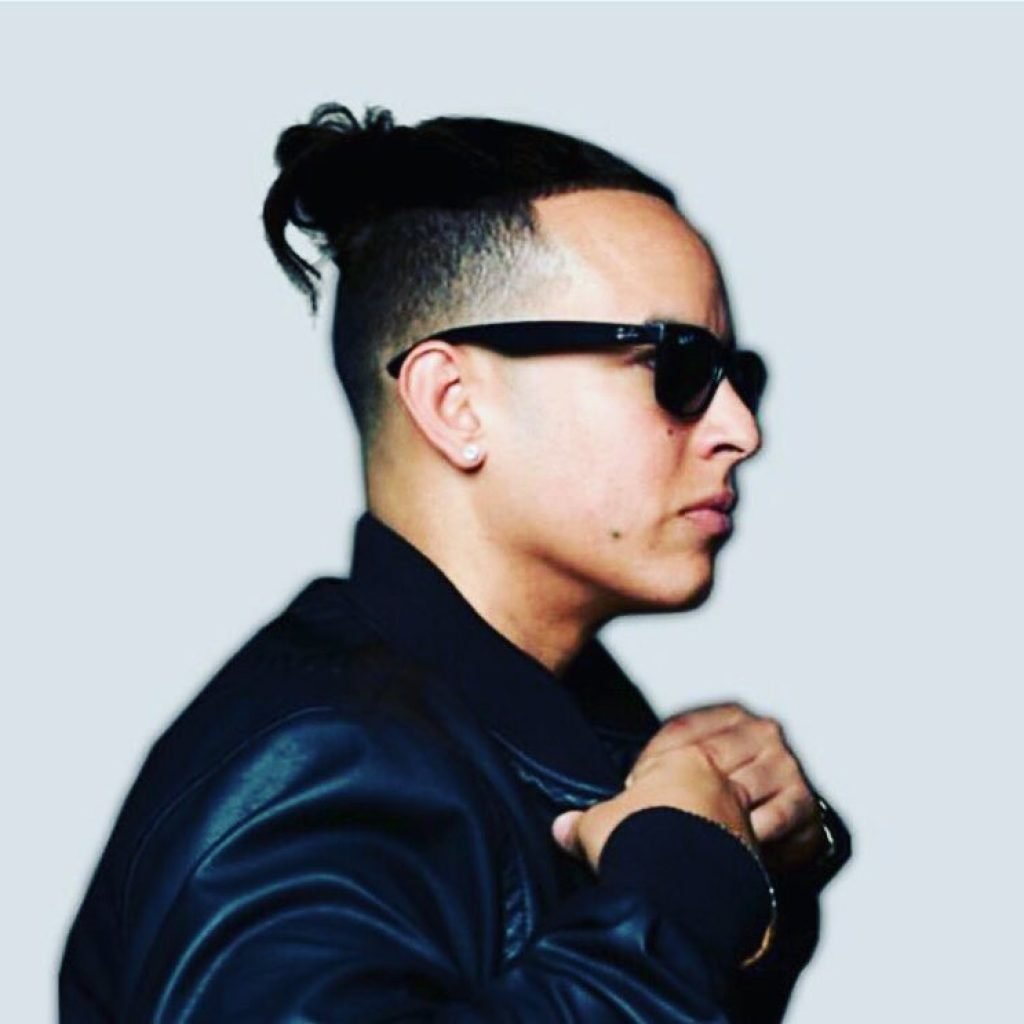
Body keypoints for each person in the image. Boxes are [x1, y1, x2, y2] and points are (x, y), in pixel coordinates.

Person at [59, 102, 851, 1023]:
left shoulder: (547, 721)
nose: (741, 431)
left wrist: (764, 876)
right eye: (677, 369)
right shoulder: (320, 768)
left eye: (739, 379)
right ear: (454, 404)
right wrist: (683, 888)